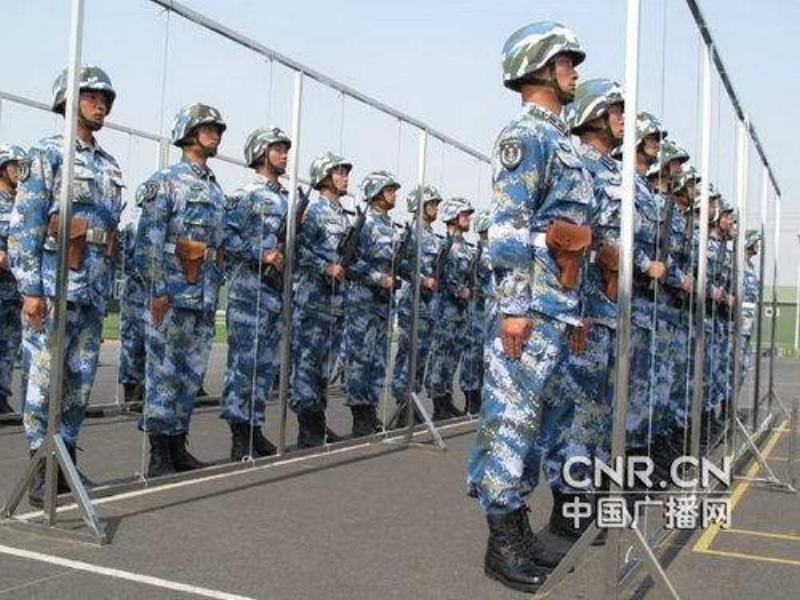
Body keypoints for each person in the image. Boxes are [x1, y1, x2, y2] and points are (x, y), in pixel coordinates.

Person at [467, 21, 594, 593]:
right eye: (567, 62)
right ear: (541, 67)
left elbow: (574, 235)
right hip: (530, 311)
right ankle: (502, 544)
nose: (574, 71)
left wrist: (578, 307)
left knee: (538, 430)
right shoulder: (526, 137)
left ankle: (519, 530)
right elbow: (508, 230)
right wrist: (514, 307)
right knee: (510, 427)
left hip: (559, 308)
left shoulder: (563, 143)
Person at [9, 66, 124, 506]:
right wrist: (31, 288)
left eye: (105, 99)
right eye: (92, 96)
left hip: (92, 292)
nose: (101, 104)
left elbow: (111, 231)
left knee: (78, 383)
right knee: (42, 380)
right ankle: (42, 471)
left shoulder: (109, 165)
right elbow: (27, 225)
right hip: (55, 289)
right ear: (68, 100)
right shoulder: (48, 154)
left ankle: (66, 464)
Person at [540, 78, 624, 558]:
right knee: (572, 415)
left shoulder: (610, 172)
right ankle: (564, 509)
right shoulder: (581, 168)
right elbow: (569, 236)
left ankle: (582, 501)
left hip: (606, 312)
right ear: (595, 113)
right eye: (616, 109)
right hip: (583, 313)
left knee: (593, 416)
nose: (622, 119)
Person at [134, 103, 226, 477]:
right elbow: (149, 243)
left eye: (218, 129)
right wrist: (157, 290)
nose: (216, 133)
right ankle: (158, 453)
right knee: (163, 374)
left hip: (202, 296)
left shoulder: (215, 188)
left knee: (191, 375)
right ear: (188, 132)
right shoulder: (166, 181)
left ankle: (177, 444)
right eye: (208, 127)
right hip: (170, 295)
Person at [221, 127, 292, 460]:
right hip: (249, 292)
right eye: (277, 149)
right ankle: (239, 433)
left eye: (284, 150)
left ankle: (254, 427)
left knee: (265, 365)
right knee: (243, 365)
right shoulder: (245, 194)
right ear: (261, 153)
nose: (283, 155)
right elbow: (227, 236)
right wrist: (260, 253)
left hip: (275, 293)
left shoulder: (287, 199)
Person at [289, 152, 352, 447]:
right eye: (339, 172)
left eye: (344, 172)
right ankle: (307, 428)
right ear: (324, 177)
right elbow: (297, 249)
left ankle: (319, 421)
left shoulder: (343, 215)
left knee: (325, 367)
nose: (345, 177)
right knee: (307, 364)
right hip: (313, 301)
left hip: (336, 303)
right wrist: (325, 267)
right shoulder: (313, 213)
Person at [342, 170, 401, 436]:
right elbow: (351, 262)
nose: (393, 194)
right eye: (388, 189)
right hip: (363, 302)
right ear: (375, 193)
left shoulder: (391, 226)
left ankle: (371, 409)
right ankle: (359, 415)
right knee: (360, 359)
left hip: (383, 304)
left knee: (378, 360)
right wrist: (379, 279)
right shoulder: (363, 224)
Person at [390, 184, 443, 424]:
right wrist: (422, 280)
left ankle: (414, 400)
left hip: (429, 305)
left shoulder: (432, 236)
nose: (435, 208)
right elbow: (399, 264)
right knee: (408, 353)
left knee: (421, 355)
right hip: (413, 301)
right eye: (431, 204)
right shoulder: (411, 233)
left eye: (435, 204)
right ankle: (403, 403)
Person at [424, 196, 474, 420]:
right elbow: (440, 274)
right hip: (446, 310)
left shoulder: (465, 247)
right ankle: (438, 403)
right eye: (464, 214)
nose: (468, 218)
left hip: (461, 311)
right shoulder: (445, 245)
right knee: (441, 357)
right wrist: (458, 289)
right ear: (453, 217)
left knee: (453, 357)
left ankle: (447, 398)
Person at [0, 144, 27, 415]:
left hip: (14, 290)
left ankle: (1, 396)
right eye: (14, 166)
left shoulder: (22, 202)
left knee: (9, 347)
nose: (19, 171)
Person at [458, 209, 493, 415]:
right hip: (478, 312)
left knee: (485, 356)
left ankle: (479, 396)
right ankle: (472, 398)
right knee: (473, 355)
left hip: (489, 312)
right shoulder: (480, 253)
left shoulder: (489, 252)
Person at [118, 219, 146, 409]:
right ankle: (131, 392)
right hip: (135, 293)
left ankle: (145, 390)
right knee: (132, 343)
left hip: (158, 293)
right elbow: (123, 258)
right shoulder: (133, 226)